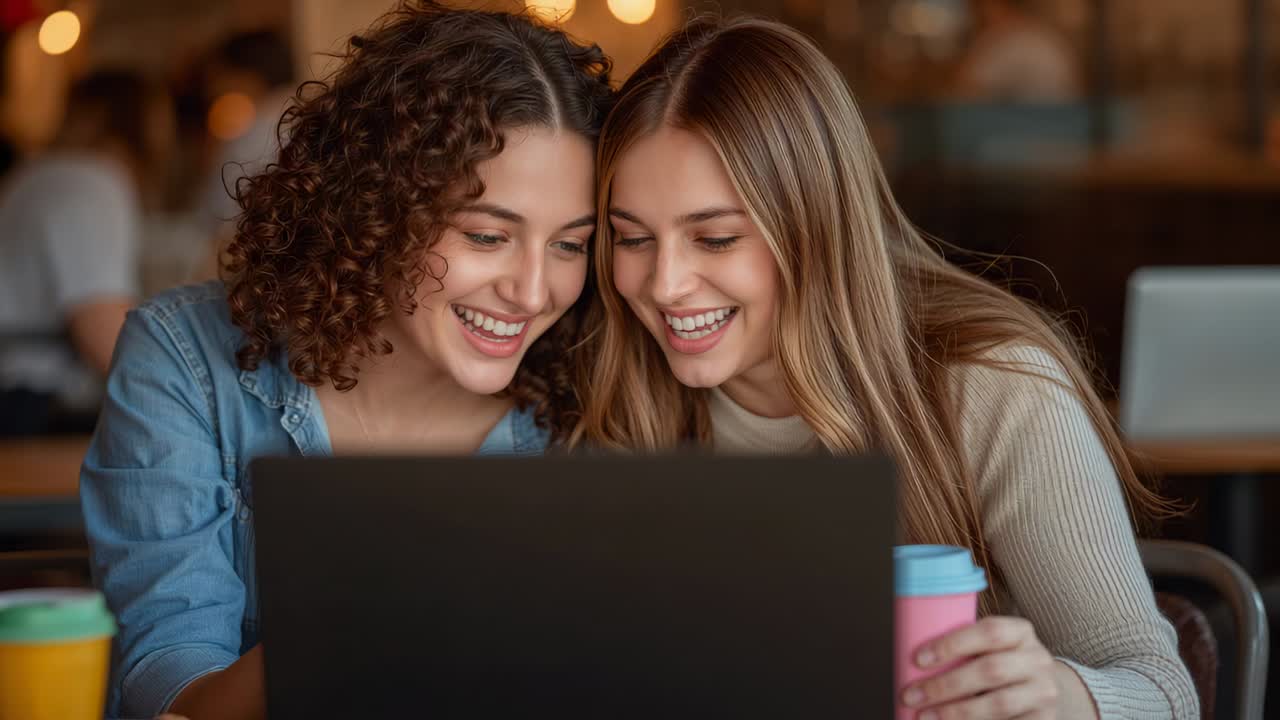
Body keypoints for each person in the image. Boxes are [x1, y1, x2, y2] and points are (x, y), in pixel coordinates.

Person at [573, 16, 1196, 720]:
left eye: (714, 239)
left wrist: (1062, 696)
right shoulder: (620, 389)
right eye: (632, 238)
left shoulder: (991, 386)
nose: (664, 284)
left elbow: (1164, 689)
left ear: (816, 225)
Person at [79, 3, 612, 719]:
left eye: (570, 244)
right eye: (488, 236)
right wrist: (385, 587)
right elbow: (169, 689)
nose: (533, 290)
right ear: (378, 205)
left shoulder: (593, 400)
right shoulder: (186, 360)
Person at [0, 70, 174, 437]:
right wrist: (178, 404)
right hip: (36, 400)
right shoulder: (89, 180)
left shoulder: (33, 176)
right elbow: (100, 326)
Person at [951, 0, 1081, 102]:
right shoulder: (1042, 33)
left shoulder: (1005, 38)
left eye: (977, 8)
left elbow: (964, 92)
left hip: (1030, 127)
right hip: (1063, 123)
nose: (975, 15)